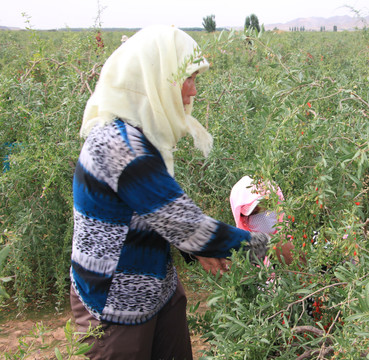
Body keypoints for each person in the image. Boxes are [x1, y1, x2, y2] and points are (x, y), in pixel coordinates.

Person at [69, 25, 270, 360]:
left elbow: (157, 214)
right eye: (187, 78)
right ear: (156, 79)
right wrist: (267, 248)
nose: (193, 90)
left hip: (156, 287)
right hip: (116, 303)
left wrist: (194, 247)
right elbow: (184, 223)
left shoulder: (139, 135)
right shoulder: (120, 146)